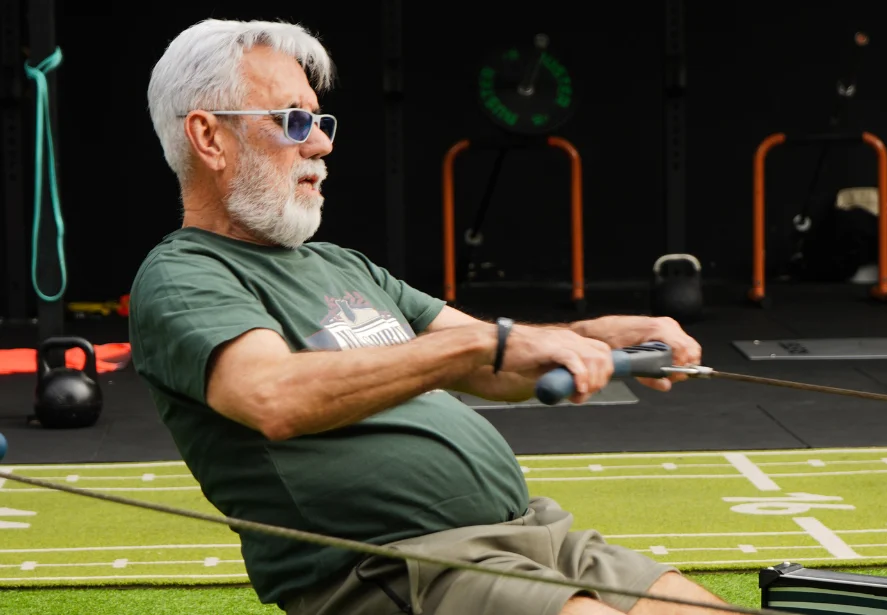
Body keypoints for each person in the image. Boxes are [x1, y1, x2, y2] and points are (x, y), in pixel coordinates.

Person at [131, 18, 728, 615]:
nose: (320, 143)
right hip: (398, 566)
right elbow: (272, 396)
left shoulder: (341, 265)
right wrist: (476, 348)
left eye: (319, 119)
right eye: (292, 120)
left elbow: (494, 362)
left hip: (533, 536)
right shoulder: (186, 273)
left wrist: (589, 337)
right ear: (209, 138)